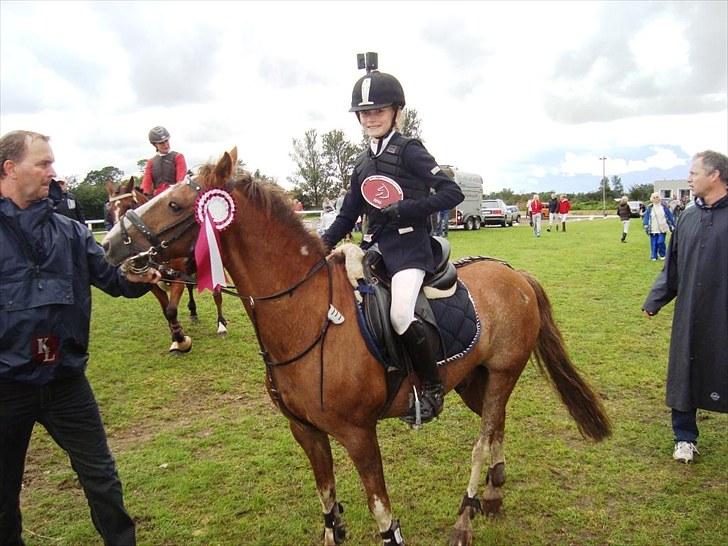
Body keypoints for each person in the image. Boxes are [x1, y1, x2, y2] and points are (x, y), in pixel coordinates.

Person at [0, 130, 162, 545]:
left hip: (66, 381)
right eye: (43, 164)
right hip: (6, 387)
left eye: (52, 163)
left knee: (101, 478)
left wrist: (140, 277)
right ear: (10, 169)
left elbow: (112, 279)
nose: (52, 173)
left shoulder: (71, 232)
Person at [321, 67, 464, 425]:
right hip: (376, 251)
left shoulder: (410, 150)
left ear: (396, 112)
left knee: (400, 314)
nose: (371, 118)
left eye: (378, 111)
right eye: (365, 113)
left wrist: (407, 209)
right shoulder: (360, 163)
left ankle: (431, 387)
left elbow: (452, 193)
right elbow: (347, 215)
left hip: (412, 249)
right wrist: (318, 245)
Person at [642, 150, 728, 464]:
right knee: (685, 371)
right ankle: (685, 437)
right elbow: (673, 267)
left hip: (723, 311)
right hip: (690, 312)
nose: (689, 179)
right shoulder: (688, 216)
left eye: (693, 173)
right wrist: (655, 300)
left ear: (715, 175)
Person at [140, 126, 187, 197]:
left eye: (166, 141)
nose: (166, 145)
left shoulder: (178, 157)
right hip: (157, 198)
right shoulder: (151, 162)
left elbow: (180, 180)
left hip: (175, 195)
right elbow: (146, 184)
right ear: (155, 145)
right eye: (161, 143)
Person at [642, 192, 675, 261]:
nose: (656, 199)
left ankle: (663, 254)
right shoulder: (649, 208)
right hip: (653, 228)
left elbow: (670, 216)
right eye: (654, 197)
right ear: (652, 199)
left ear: (659, 198)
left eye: (657, 197)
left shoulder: (664, 207)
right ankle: (654, 256)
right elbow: (646, 217)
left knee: (660, 242)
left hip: (662, 228)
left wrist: (673, 225)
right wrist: (646, 225)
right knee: (653, 243)